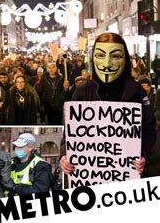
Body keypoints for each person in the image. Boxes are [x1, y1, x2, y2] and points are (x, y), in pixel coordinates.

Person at [60, 32, 157, 177]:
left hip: (127, 177)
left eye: (115, 56)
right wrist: (64, 154)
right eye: (100, 55)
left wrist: (143, 155)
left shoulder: (137, 92)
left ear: (125, 60)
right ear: (93, 58)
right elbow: (70, 129)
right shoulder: (82, 91)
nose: (106, 64)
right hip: (89, 177)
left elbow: (149, 129)